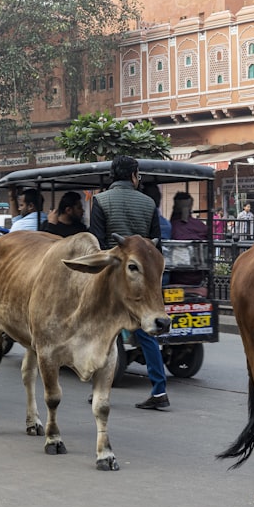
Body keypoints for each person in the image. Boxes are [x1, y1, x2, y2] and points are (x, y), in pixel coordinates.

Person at [89, 155, 170, 410]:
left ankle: (100, 391)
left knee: (104, 334)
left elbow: (97, 244)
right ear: (134, 175)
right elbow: (157, 246)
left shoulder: (100, 201)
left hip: (112, 281)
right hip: (140, 282)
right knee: (146, 334)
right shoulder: (148, 203)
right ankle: (159, 390)